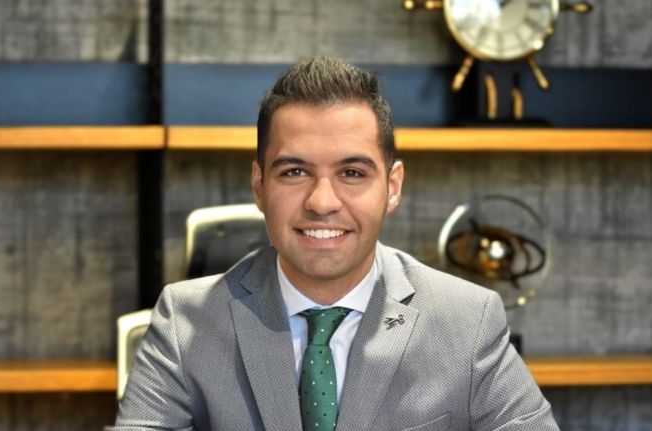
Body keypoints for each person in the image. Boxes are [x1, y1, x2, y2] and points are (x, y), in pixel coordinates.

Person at [112, 57, 559, 431]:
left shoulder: (468, 322)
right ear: (259, 186)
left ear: (392, 187)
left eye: (351, 173)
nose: (322, 202)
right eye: (294, 172)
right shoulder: (184, 323)